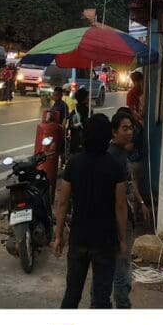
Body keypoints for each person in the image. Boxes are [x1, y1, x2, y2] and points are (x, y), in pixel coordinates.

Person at [54, 114, 127, 309]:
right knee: (102, 298)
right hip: (105, 240)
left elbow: (63, 202)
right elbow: (120, 206)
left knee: (71, 295)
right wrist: (122, 239)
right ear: (107, 136)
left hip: (79, 238)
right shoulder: (115, 166)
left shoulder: (74, 163)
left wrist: (59, 235)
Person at [108, 109, 150, 308]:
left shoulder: (122, 156)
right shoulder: (113, 158)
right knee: (121, 268)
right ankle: (122, 305)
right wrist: (122, 236)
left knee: (118, 266)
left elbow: (131, 184)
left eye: (131, 128)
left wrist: (141, 203)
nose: (130, 132)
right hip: (119, 222)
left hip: (125, 219)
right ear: (114, 132)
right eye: (125, 128)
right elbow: (119, 202)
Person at [68, 86, 90, 153]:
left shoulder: (73, 111)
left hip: (74, 144)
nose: (89, 98)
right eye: (87, 97)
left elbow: (70, 127)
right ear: (84, 99)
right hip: (84, 144)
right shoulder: (87, 112)